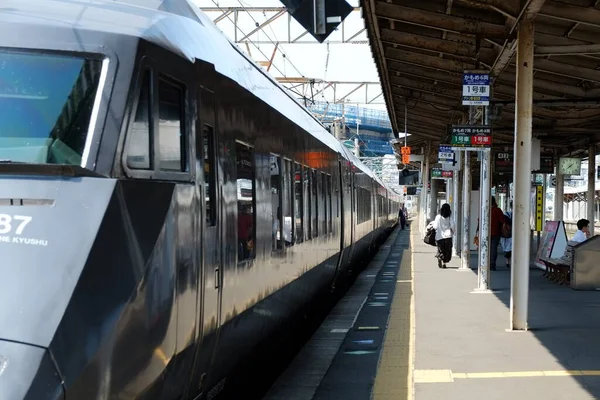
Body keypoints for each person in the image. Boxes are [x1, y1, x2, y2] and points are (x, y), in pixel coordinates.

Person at [431, 203, 455, 269]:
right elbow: (452, 225)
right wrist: (453, 231)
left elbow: (435, 226)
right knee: (447, 251)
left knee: (440, 249)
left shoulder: (438, 217)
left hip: (439, 236)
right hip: (448, 236)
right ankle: (444, 263)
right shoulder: (450, 216)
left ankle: (439, 257)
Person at [500, 205, 513, 269]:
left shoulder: (505, 214)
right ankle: (510, 261)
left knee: (506, 248)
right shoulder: (517, 215)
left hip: (505, 234)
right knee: (511, 248)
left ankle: (507, 261)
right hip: (512, 234)